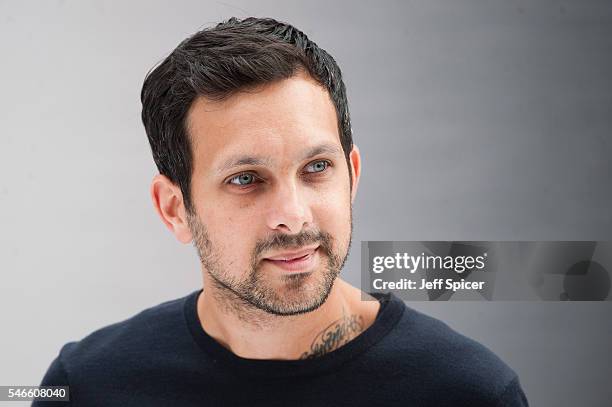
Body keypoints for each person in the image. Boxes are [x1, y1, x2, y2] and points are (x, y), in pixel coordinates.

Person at [35, 17, 529, 406]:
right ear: (175, 209)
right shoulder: (85, 387)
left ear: (352, 175)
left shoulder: (468, 392)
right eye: (246, 179)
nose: (293, 216)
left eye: (317, 167)